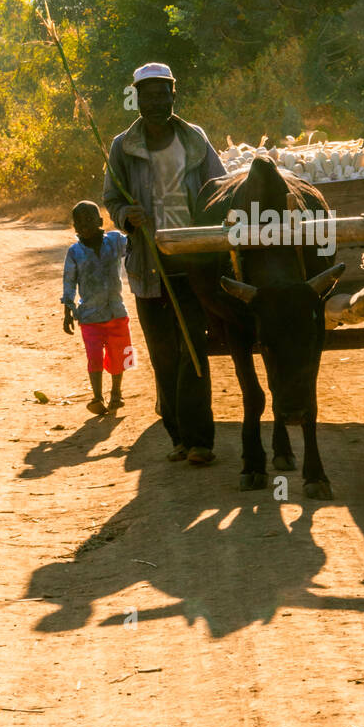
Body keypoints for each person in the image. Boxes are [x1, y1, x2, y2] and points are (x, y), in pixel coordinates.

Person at [103, 62, 225, 465]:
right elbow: (112, 199)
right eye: (147, 95)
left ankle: (200, 440)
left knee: (193, 349)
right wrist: (126, 215)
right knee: (163, 357)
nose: (155, 102)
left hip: (190, 262)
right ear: (135, 98)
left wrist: (208, 233)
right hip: (148, 266)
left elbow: (218, 189)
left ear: (174, 93)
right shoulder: (123, 146)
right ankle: (176, 436)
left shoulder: (195, 139)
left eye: (162, 94)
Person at [61, 200, 132, 416]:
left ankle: (117, 393)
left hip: (116, 311)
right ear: (74, 226)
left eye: (90, 220)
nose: (85, 225)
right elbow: (69, 281)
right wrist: (68, 310)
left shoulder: (115, 241)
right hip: (89, 316)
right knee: (94, 357)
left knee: (121, 354)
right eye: (79, 222)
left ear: (101, 221)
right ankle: (97, 396)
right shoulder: (75, 252)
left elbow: (135, 244)